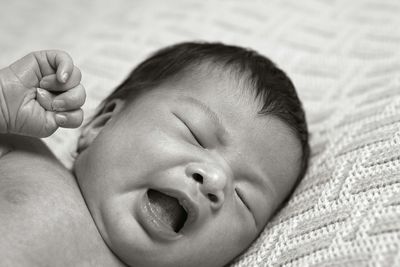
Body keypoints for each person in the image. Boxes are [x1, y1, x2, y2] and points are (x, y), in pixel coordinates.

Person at [0, 42, 309, 267]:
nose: (216, 179)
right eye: (195, 134)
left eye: (244, 199)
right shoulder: (25, 158)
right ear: (103, 122)